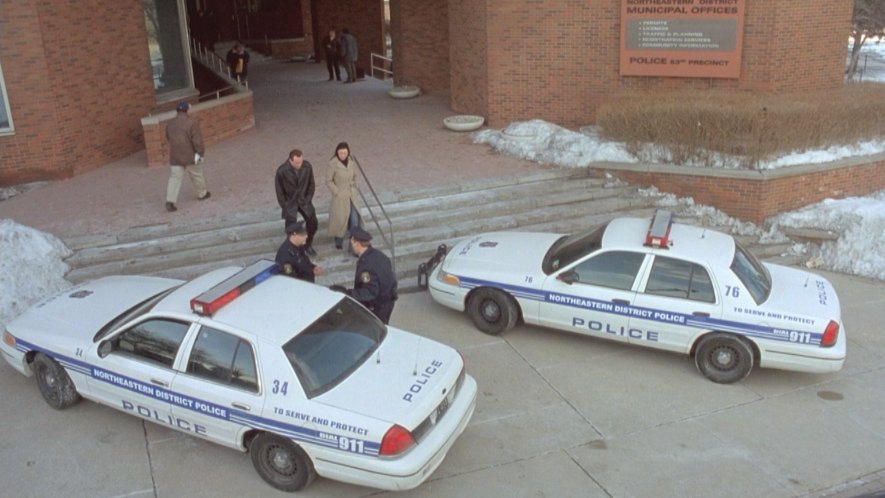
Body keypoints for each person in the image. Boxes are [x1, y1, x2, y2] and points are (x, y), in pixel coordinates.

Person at [344, 227, 397, 323]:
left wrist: (349, 293)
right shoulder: (379, 255)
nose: (351, 246)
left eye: (352, 243)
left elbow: (370, 292)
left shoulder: (367, 265)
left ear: (357, 243)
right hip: (388, 300)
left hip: (379, 307)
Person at [165, 100, 210, 212]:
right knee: (197, 175)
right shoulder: (192, 123)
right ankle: (202, 193)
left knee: (174, 179)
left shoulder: (170, 124)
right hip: (190, 156)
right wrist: (200, 153)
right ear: (187, 110)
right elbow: (197, 141)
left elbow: (168, 138)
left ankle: (170, 201)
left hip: (175, 157)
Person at [275, 149, 318, 256]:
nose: (299, 165)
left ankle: (307, 245)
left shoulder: (307, 166)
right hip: (290, 203)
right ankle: (293, 249)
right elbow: (279, 190)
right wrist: (284, 205)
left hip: (304, 201)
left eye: (301, 162)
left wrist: (308, 199)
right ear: (290, 160)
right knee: (290, 229)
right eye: (297, 163)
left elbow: (311, 184)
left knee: (313, 223)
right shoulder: (282, 171)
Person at [326, 142, 362, 250]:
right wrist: (336, 191)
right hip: (340, 196)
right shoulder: (333, 164)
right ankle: (339, 240)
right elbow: (328, 180)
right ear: (337, 152)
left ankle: (353, 244)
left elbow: (355, 175)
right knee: (341, 219)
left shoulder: (351, 163)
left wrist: (355, 186)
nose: (343, 155)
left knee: (354, 219)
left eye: (345, 153)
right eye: (341, 153)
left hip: (351, 194)